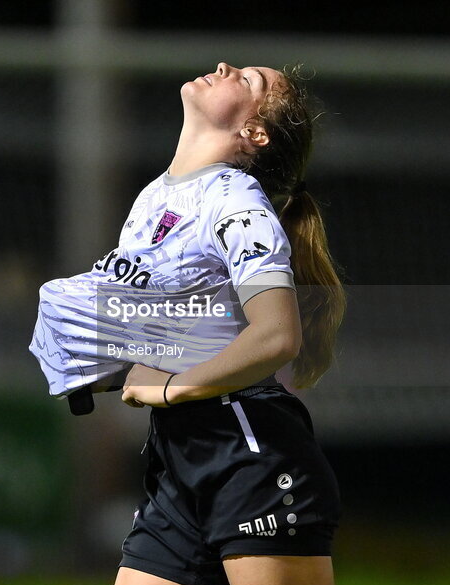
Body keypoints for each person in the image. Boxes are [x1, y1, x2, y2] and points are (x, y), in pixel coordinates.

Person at [29, 62, 345, 585]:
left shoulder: (237, 202)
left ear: (253, 132)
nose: (225, 67)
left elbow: (276, 335)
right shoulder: (157, 195)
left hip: (249, 457)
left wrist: (174, 387)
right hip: (180, 461)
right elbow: (186, 325)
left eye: (248, 81)